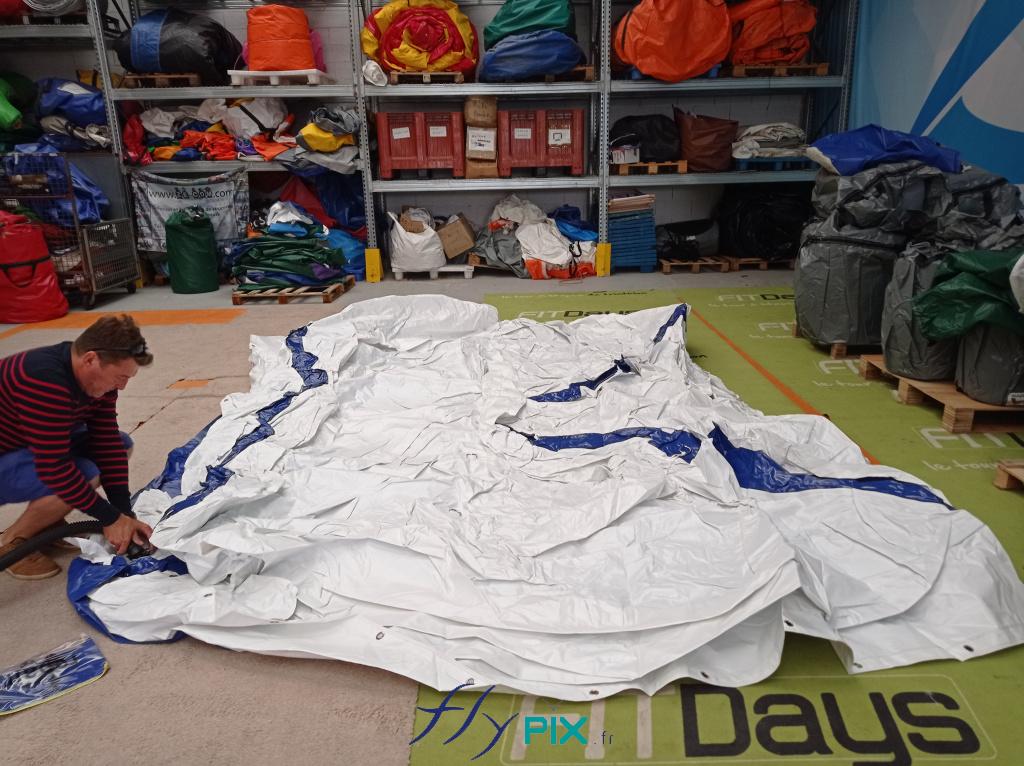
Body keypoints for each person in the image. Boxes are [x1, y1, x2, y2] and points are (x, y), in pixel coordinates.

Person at [0, 314, 154, 580]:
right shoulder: (44, 379)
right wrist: (109, 519)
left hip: (19, 444)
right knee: (82, 473)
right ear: (91, 359)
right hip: (8, 453)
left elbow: (106, 442)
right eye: (120, 377)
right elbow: (55, 469)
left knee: (120, 443)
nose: (123, 386)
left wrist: (123, 514)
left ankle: (45, 522)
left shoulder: (99, 382)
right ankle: (13, 542)